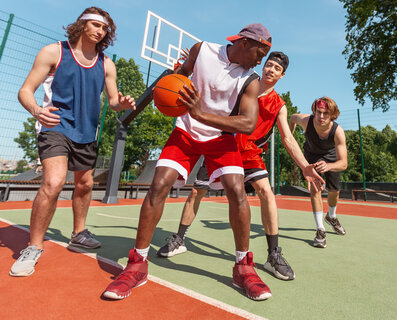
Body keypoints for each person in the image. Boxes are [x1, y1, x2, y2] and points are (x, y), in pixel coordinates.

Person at [103, 24, 274, 301]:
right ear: (244, 43)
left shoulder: (250, 80)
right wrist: (172, 82)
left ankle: (243, 266)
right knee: (158, 184)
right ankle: (137, 264)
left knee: (237, 191)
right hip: (185, 131)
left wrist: (201, 113)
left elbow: (247, 122)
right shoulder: (202, 50)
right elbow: (177, 79)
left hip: (221, 136)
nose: (262, 59)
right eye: (260, 51)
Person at [156, 51, 324, 281]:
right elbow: (215, 81)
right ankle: (179, 239)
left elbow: (288, 138)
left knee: (267, 192)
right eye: (269, 65)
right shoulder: (245, 80)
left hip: (250, 151)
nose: (270, 69)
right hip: (224, 144)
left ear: (282, 76)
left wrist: (305, 166)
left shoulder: (279, 105)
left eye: (276, 68)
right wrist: (190, 67)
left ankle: (273, 255)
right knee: (197, 191)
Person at [10, 7, 136, 277]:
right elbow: (25, 91)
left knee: (85, 183)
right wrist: (36, 110)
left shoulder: (106, 63)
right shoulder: (53, 52)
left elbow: (113, 102)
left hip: (87, 131)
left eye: (104, 28)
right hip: (55, 125)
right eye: (95, 25)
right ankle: (33, 246)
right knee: (54, 182)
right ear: (80, 26)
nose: (100, 31)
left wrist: (121, 104)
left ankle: (79, 232)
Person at [289, 97, 348, 248]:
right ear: (314, 112)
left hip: (331, 158)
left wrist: (328, 166)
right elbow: (292, 118)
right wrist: (288, 137)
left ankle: (332, 216)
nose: (321, 117)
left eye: (325, 113)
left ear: (333, 114)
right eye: (318, 112)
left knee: (333, 192)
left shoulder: (338, 132)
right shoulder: (306, 121)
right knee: (315, 189)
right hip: (312, 156)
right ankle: (320, 229)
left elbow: (344, 163)